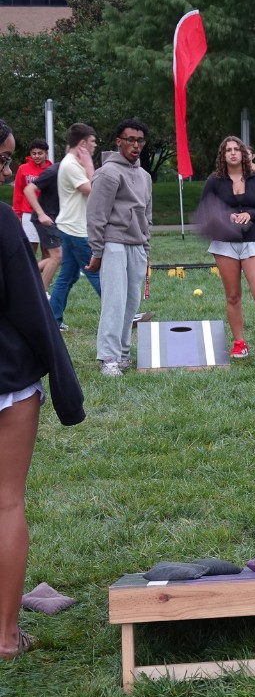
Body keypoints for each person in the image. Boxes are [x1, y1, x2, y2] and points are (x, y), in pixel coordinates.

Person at [0, 119, 85, 661]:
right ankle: (6, 637)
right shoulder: (5, 225)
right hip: (8, 380)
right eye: (3, 157)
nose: (7, 168)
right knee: (6, 502)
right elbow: (35, 313)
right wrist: (65, 383)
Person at [199, 136, 255, 361]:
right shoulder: (214, 181)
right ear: (223, 155)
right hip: (224, 243)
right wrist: (223, 217)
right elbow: (205, 211)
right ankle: (239, 343)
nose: (233, 153)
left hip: (253, 242)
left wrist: (251, 214)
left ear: (243, 153)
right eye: (228, 150)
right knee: (233, 296)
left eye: (236, 149)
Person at [84, 120, 152, 376]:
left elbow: (147, 216)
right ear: (118, 141)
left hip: (137, 245)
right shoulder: (107, 173)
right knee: (114, 301)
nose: (136, 145)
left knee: (131, 304)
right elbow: (96, 216)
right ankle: (108, 358)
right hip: (113, 244)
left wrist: (146, 250)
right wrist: (98, 251)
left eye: (140, 141)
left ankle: (123, 354)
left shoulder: (144, 176)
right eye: (130, 139)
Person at [49, 124, 101, 331]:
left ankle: (53, 320)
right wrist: (89, 165)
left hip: (70, 227)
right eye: (93, 141)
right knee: (97, 272)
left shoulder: (72, 163)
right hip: (76, 230)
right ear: (82, 143)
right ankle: (124, 316)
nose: (95, 145)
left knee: (67, 276)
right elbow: (93, 190)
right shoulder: (71, 164)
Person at [13, 140, 59, 291]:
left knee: (48, 249)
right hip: (28, 213)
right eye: (34, 153)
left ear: (46, 153)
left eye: (40, 153)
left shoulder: (51, 170)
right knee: (30, 248)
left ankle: (46, 279)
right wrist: (17, 213)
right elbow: (19, 192)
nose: (37, 156)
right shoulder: (23, 169)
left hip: (46, 213)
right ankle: (28, 277)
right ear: (30, 154)